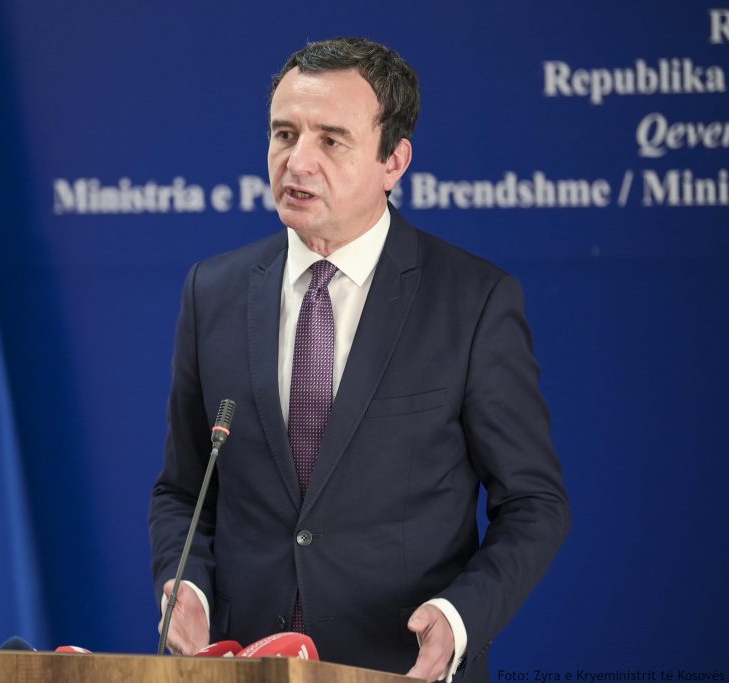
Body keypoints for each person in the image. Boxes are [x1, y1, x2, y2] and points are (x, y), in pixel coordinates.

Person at [149, 37, 570, 683]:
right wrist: (188, 586)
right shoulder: (214, 290)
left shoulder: (473, 301)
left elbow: (535, 502)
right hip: (244, 663)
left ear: (393, 160)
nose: (297, 161)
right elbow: (184, 489)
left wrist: (460, 615)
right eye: (284, 134)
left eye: (331, 140)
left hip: (398, 664)